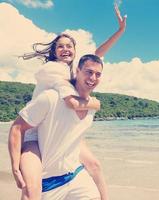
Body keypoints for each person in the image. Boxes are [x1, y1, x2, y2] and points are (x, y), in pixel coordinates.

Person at [13, 4, 127, 200]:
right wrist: (95, 103)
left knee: (95, 166)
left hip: (59, 130)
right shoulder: (53, 69)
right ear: (54, 51)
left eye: (69, 46)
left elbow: (98, 54)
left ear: (75, 50)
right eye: (60, 46)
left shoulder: (74, 72)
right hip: (34, 135)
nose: (65, 49)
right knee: (32, 187)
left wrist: (120, 31)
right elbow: (72, 103)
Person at [9, 54, 104, 199]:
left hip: (75, 176)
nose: (93, 78)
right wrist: (16, 167)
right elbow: (17, 128)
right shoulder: (50, 98)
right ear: (77, 71)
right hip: (48, 183)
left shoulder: (92, 106)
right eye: (89, 72)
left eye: (98, 74)